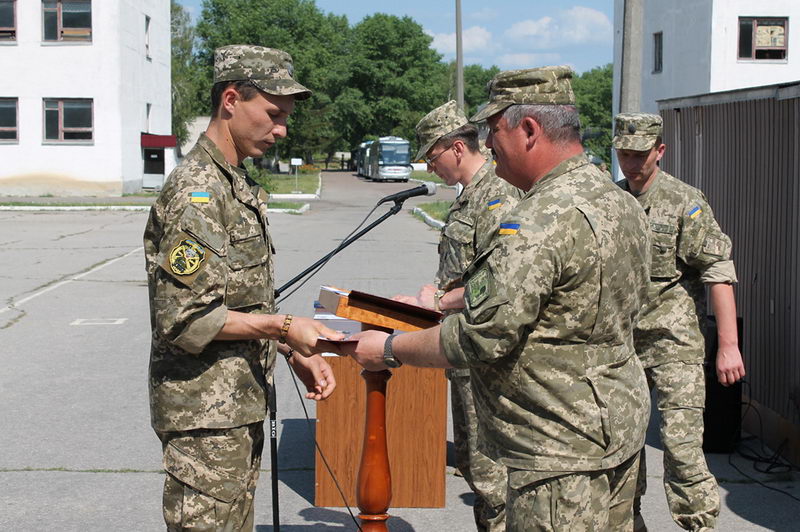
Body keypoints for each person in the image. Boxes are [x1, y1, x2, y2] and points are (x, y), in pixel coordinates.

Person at [341, 66, 652, 530]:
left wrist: (387, 349)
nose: (487, 144)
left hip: (556, 451)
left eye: (493, 129)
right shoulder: (620, 202)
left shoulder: (538, 222)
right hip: (618, 427)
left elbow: (479, 337)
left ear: (528, 130)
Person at [143, 45, 343, 531]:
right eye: (274, 114)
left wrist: (287, 348)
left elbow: (239, 303)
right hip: (205, 420)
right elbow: (185, 318)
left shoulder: (232, 182)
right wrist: (284, 326)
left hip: (234, 408)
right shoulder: (198, 192)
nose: (282, 129)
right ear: (231, 99)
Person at [613, 112, 746, 532]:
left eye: (640, 155)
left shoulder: (684, 201)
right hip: (622, 346)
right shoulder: (612, 201)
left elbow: (717, 272)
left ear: (660, 151)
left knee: (682, 445)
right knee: (621, 444)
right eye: (624, 154)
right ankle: (627, 522)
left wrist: (728, 346)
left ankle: (698, 524)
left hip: (674, 343)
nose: (632, 163)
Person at [394, 100, 519, 531]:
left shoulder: (498, 197)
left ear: (457, 148)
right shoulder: (469, 198)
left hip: (488, 359)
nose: (430, 168)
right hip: (464, 353)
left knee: (492, 476)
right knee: (472, 464)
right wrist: (424, 301)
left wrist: (439, 302)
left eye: (433, 157)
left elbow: (503, 280)